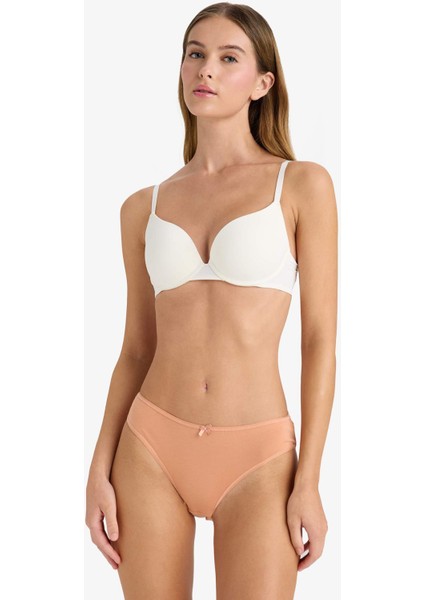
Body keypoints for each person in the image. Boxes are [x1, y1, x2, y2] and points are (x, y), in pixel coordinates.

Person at [85, 2, 338, 598]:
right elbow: (136, 349)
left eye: (229, 58)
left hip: (259, 455)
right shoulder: (141, 207)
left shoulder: (301, 185)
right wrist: (99, 466)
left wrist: (309, 479)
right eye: (195, 53)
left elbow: (318, 339)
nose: (206, 69)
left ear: (262, 84)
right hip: (149, 446)